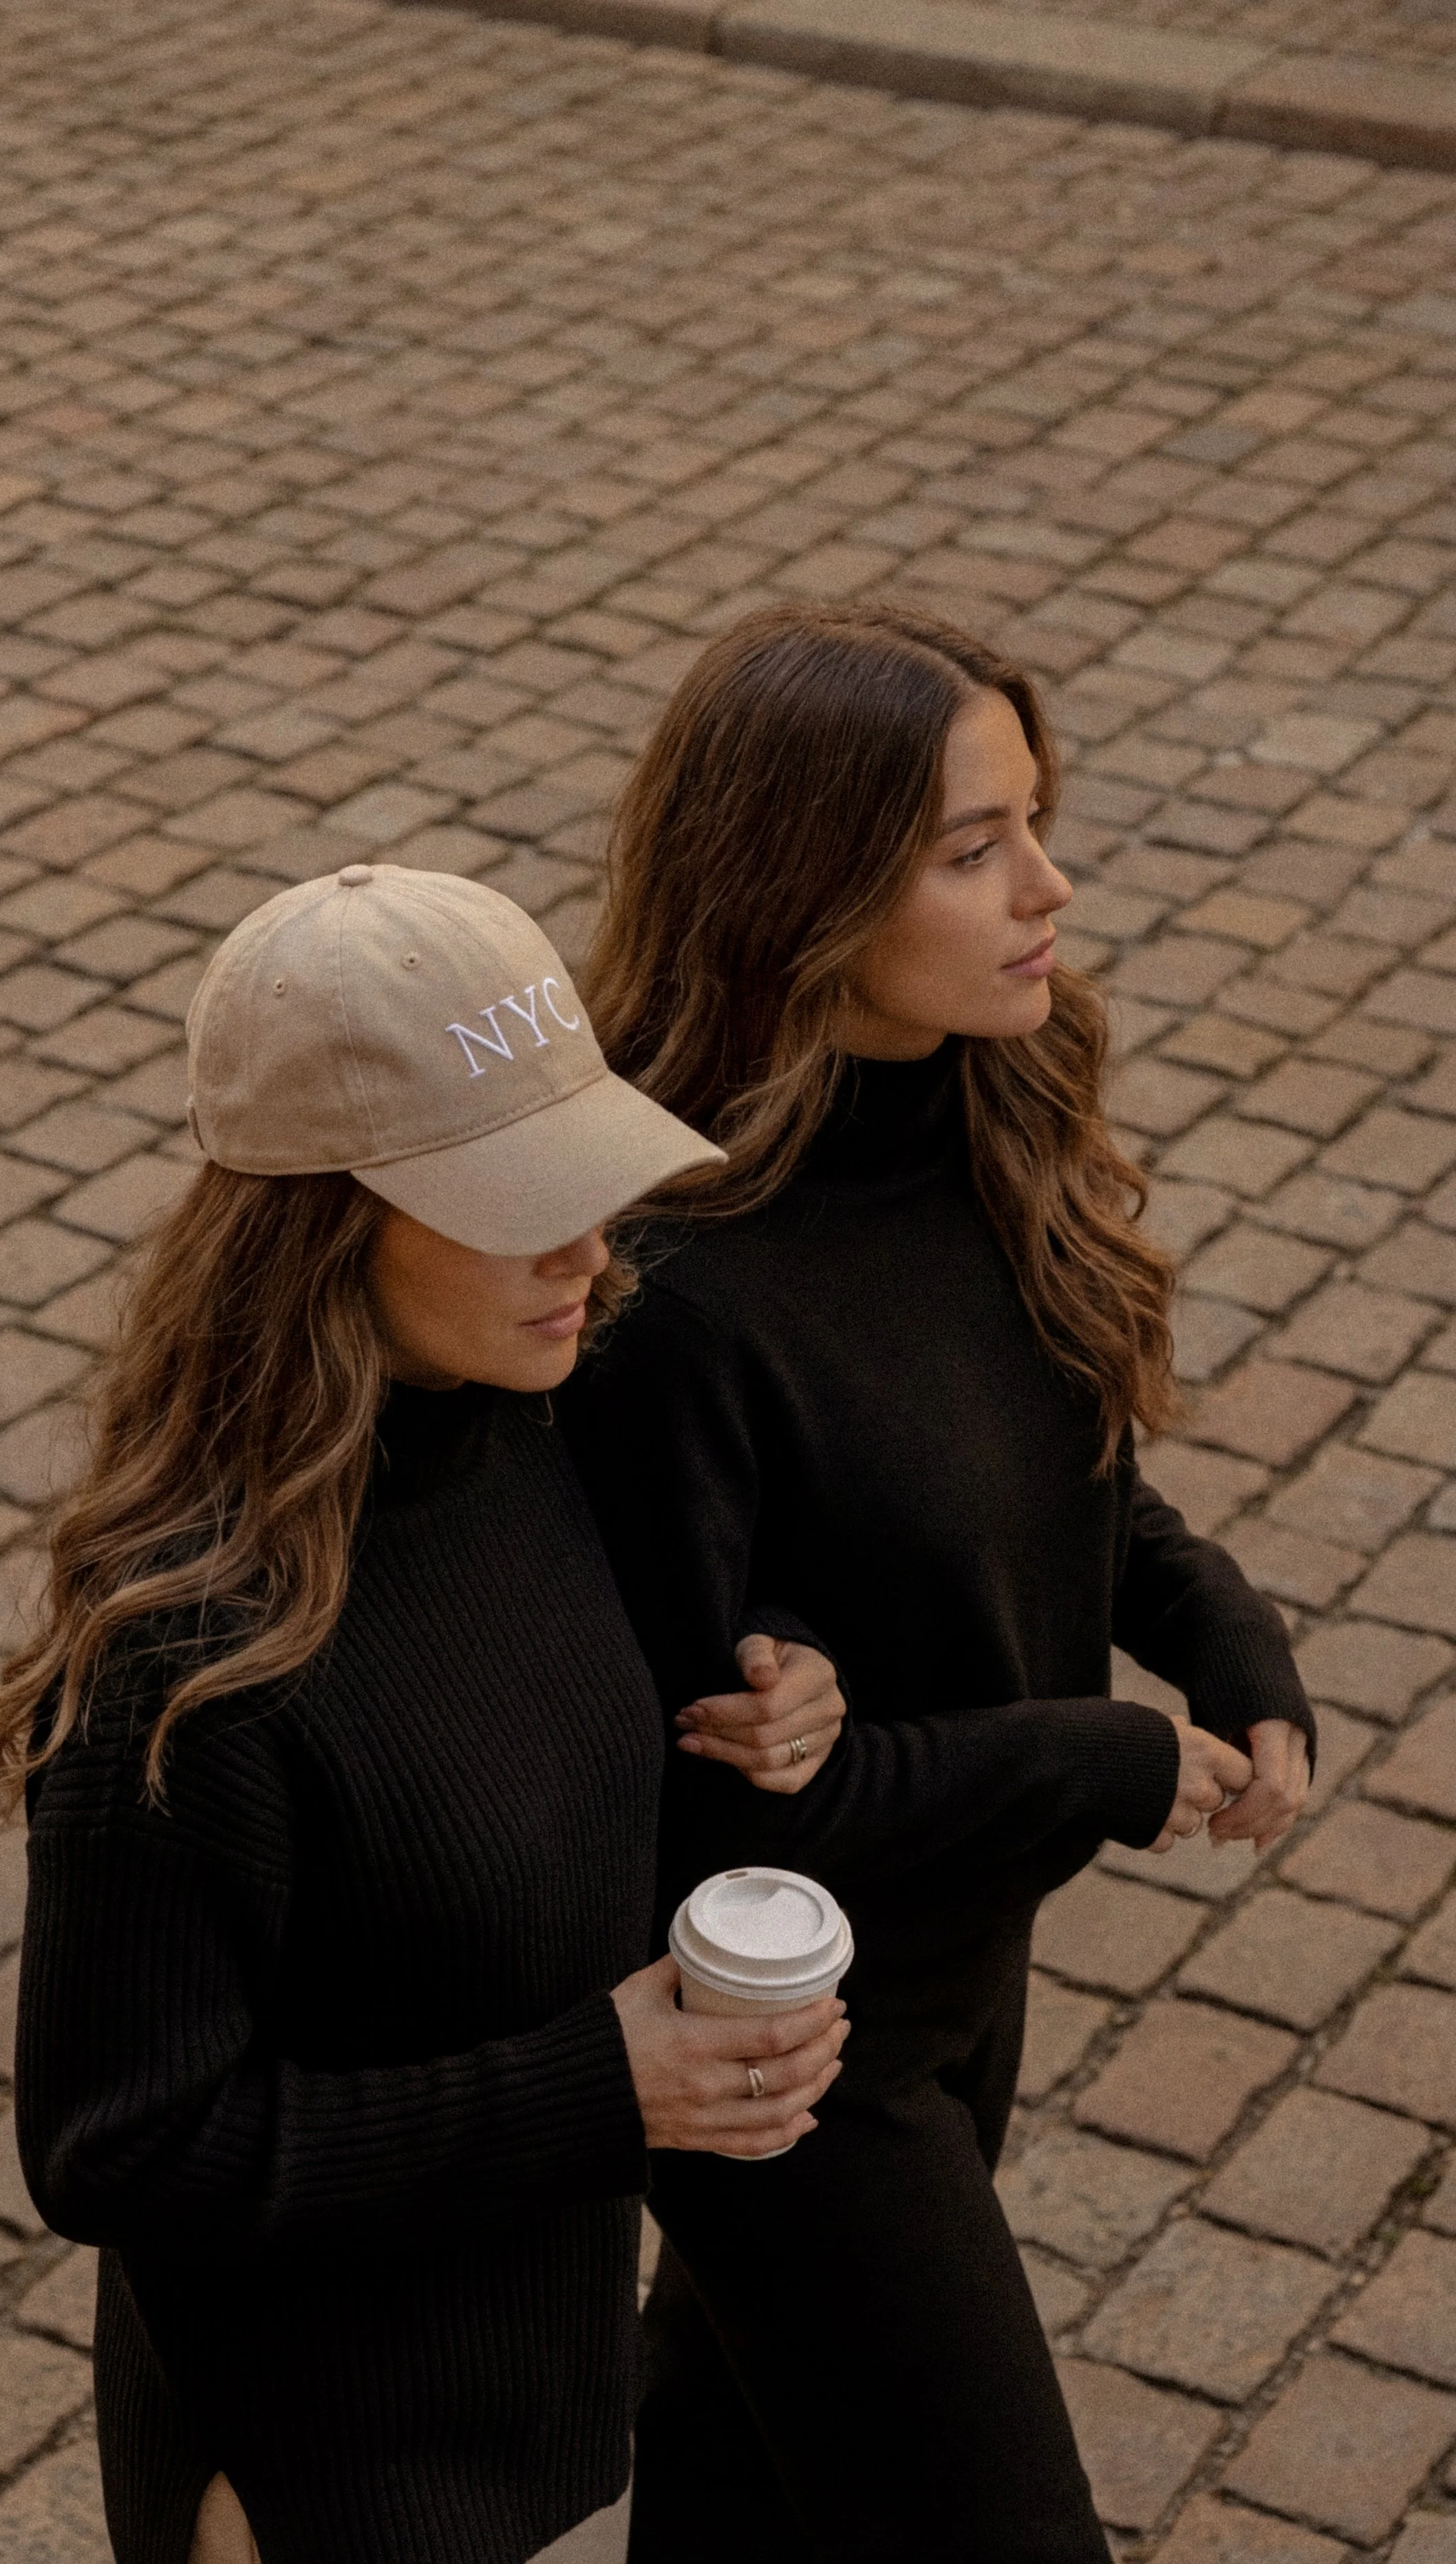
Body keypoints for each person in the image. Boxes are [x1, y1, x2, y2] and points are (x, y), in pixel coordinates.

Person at [0, 864, 853, 2564]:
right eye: (517, 1203)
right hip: (320, 2476)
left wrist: (771, 1660)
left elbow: (560, 1677)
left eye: (583, 1180)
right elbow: (120, 2153)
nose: (590, 1252)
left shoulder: (525, 1408)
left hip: (525, 2403)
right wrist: (605, 2086)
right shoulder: (188, 1658)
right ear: (319, 1223)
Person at [555, 601, 1318, 2564]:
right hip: (798, 2047)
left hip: (962, 1966)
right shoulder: (670, 1290)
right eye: (971, 848)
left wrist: (1225, 1639)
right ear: (801, 885)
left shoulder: (985, 1095)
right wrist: (1096, 1758)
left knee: (743, 2469)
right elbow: (704, 1808)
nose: (1045, 888)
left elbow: (1052, 1483)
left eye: (1034, 822)